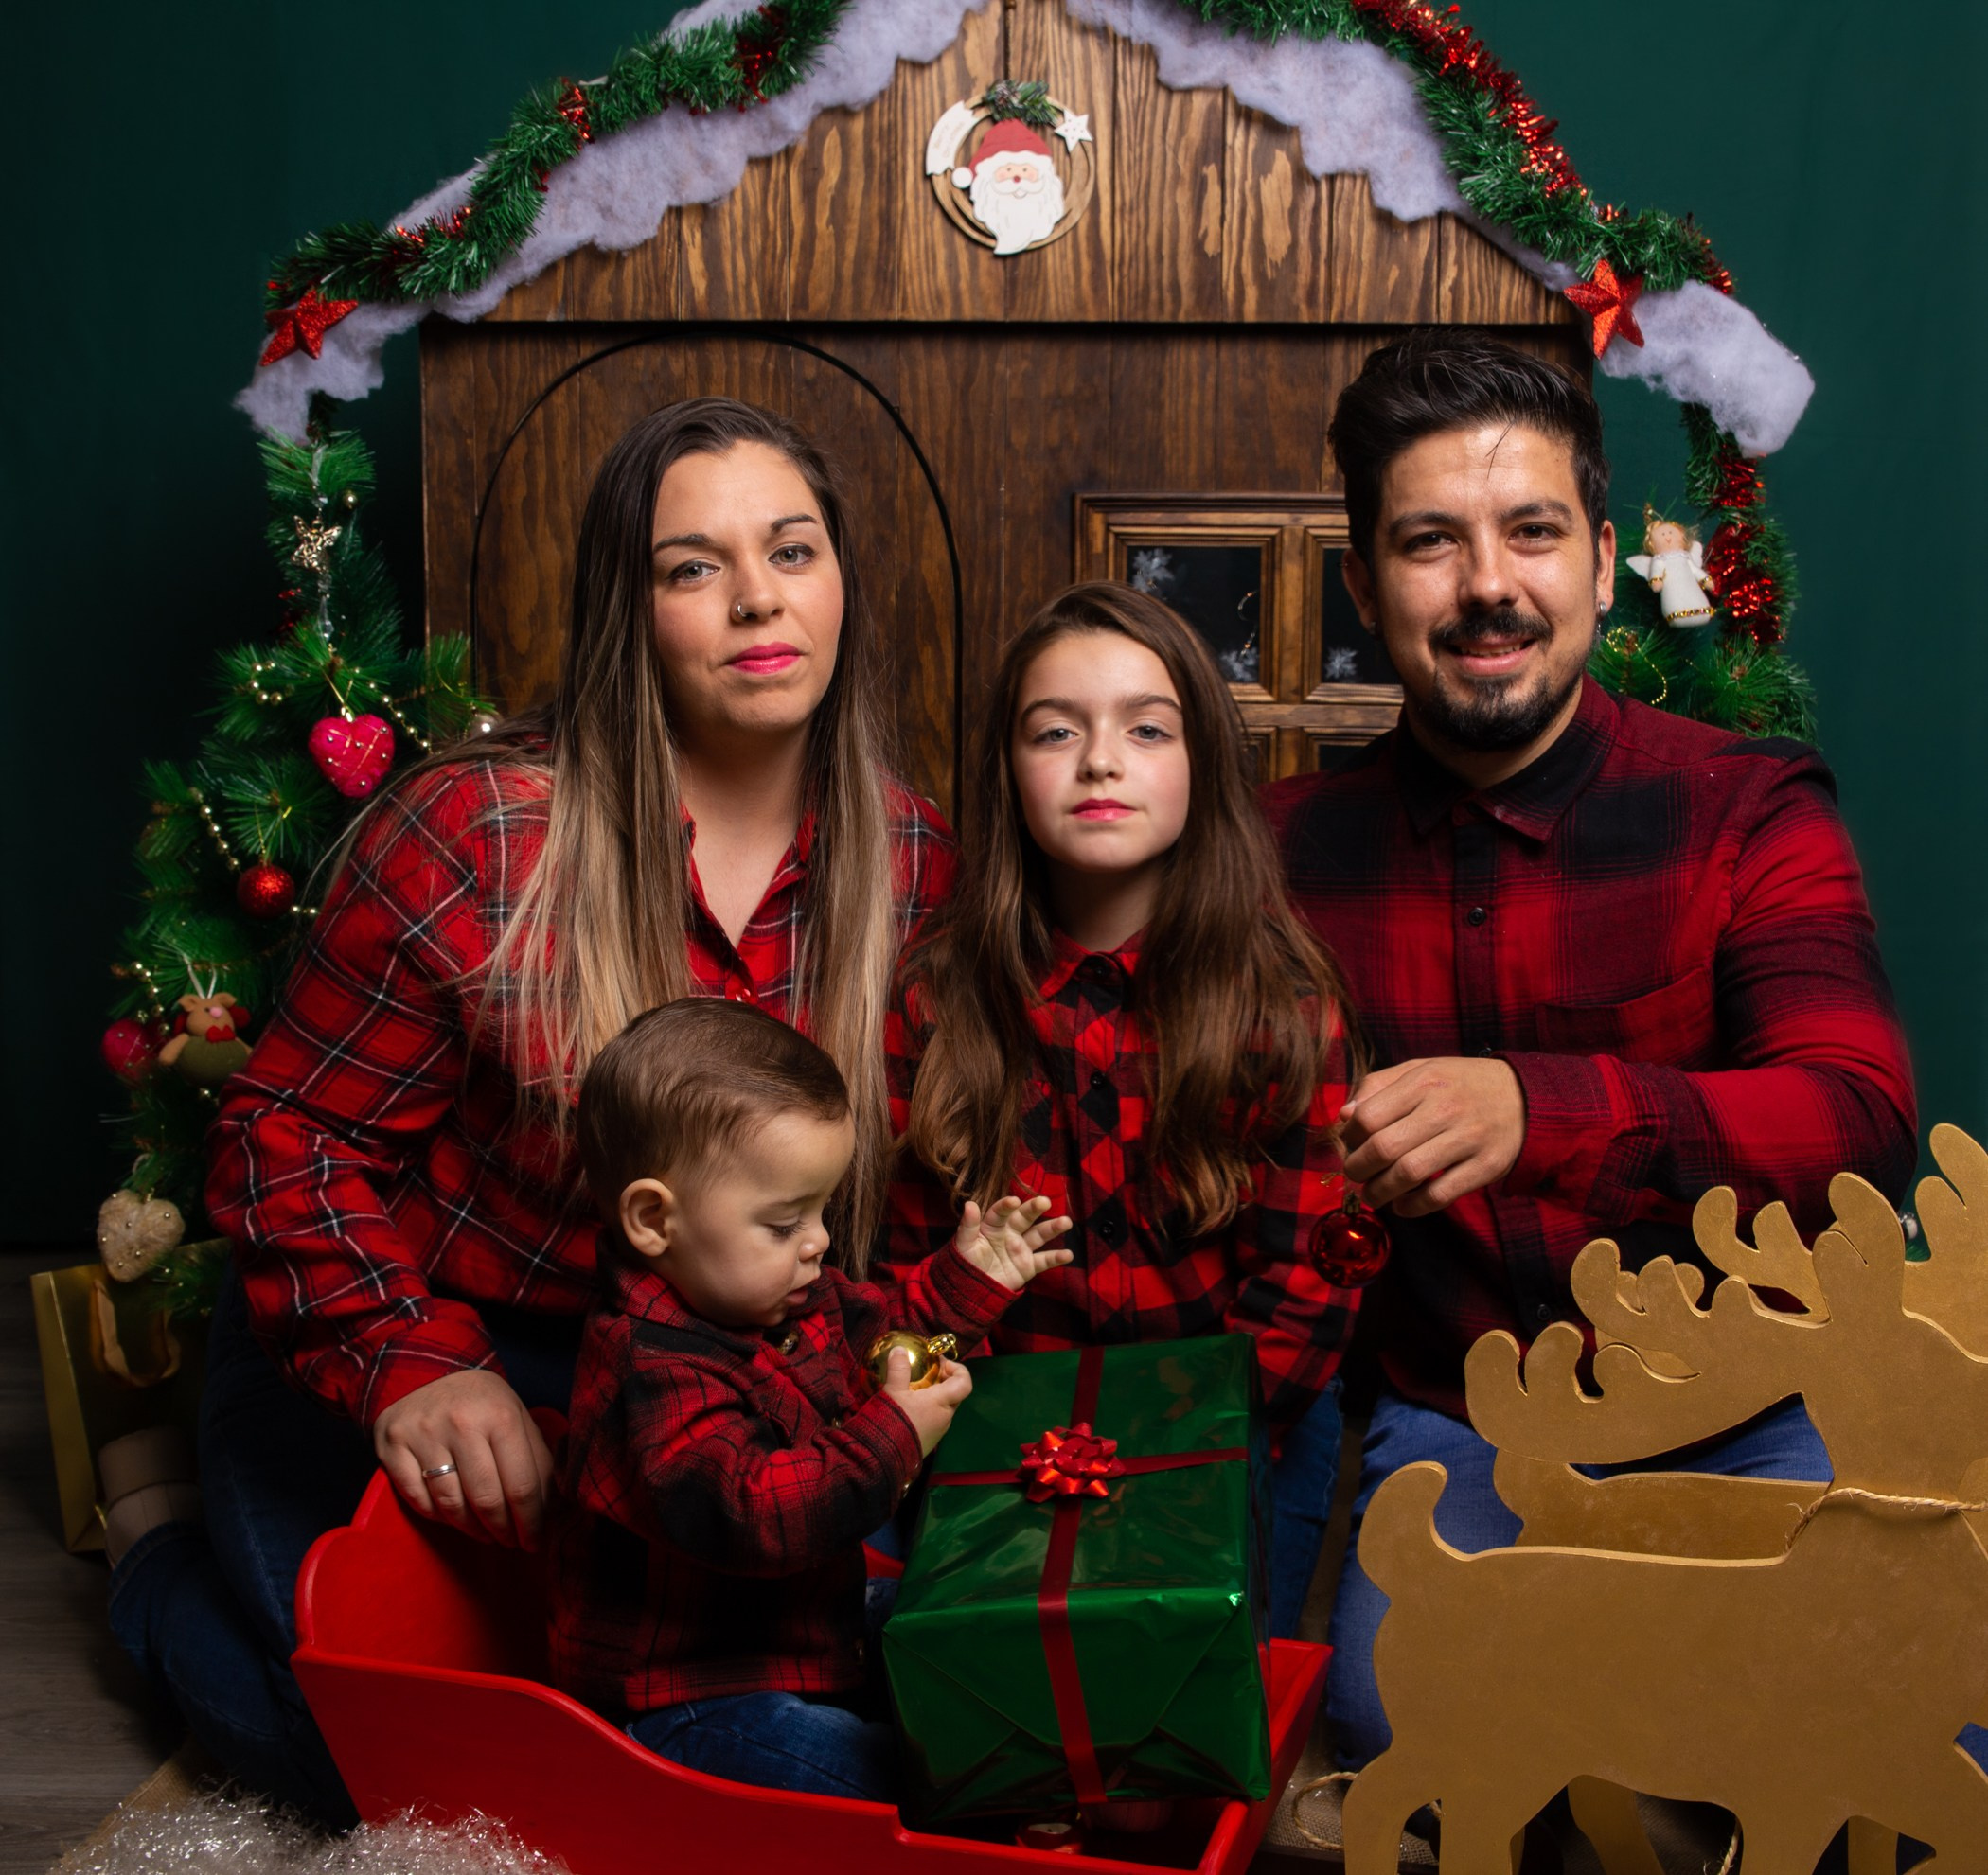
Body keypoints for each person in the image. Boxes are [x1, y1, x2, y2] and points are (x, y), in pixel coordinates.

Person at [103, 398, 956, 1821]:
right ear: (632, 612)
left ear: (841, 583)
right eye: (695, 567)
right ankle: (153, 1559)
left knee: (706, 1746)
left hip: (699, 1372)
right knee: (403, 1770)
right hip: (437, 1322)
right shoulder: (482, 830)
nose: (758, 597)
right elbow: (284, 1135)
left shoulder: (911, 859)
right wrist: (414, 1363)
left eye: (792, 550)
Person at [1259, 330, 1918, 1766]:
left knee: (1890, 1711)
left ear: (1603, 562)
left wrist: (1536, 1107)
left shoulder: (1745, 807)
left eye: (1532, 533)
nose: (1488, 585)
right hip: (1468, 1425)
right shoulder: (1282, 855)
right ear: (1367, 585)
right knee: (1414, 1722)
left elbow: (1857, 1119)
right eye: (1431, 542)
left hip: (1754, 1405)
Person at [882, 582, 1373, 1638]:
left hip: (1238, 1417)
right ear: (1008, 775)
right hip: (1002, 1425)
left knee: (1195, 1698)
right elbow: (910, 1277)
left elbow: (1307, 1288)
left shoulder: (1282, 1004)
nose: (1100, 760)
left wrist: (1163, 1461)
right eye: (1055, 732)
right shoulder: (937, 999)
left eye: (1147, 729)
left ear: (1202, 767)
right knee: (1003, 1696)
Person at [554, 998, 1071, 1800]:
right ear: (656, 1218)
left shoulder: (785, 1295)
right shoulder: (649, 1366)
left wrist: (974, 1278)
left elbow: (881, 1340)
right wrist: (895, 1433)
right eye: (784, 1219)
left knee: (979, 1625)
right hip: (688, 1696)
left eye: (822, 1208)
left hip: (807, 1629)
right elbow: (757, 1513)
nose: (819, 1239)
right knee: (878, 1779)